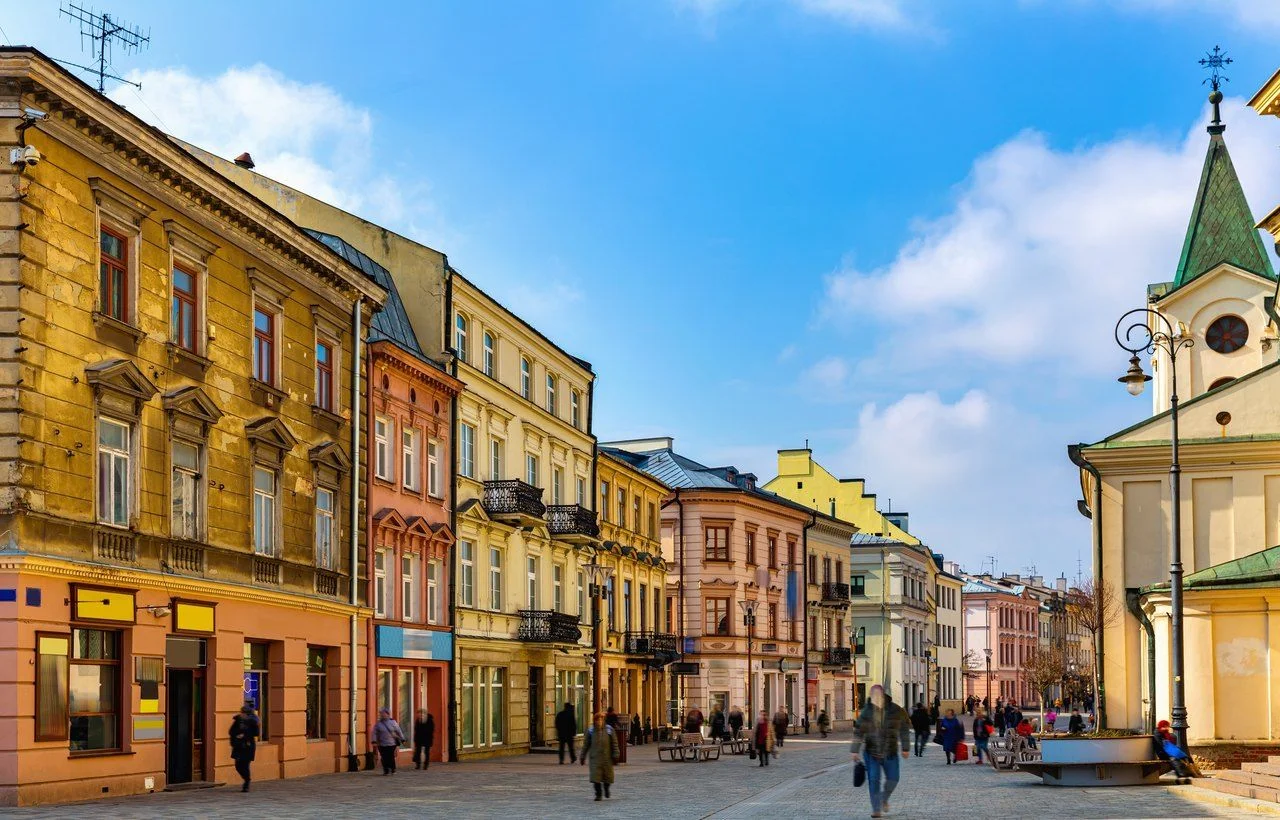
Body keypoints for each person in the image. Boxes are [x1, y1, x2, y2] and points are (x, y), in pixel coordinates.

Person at [850, 684, 910, 819]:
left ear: (883, 695)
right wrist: (854, 750)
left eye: (878, 695)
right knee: (874, 780)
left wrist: (905, 748)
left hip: (890, 752)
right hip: (871, 753)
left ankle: (884, 798)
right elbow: (859, 731)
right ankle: (876, 809)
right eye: (873, 695)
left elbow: (904, 729)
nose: (875, 698)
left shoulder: (896, 710)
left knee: (893, 779)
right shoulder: (866, 711)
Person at [581, 711, 620, 801]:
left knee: (608, 777)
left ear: (604, 720)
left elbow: (614, 744)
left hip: (607, 758)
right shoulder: (591, 731)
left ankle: (606, 788)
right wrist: (582, 756)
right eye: (597, 719)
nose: (599, 721)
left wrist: (616, 755)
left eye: (601, 719)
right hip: (595, 758)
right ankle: (598, 794)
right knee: (596, 778)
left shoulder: (609, 730)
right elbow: (586, 745)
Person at [230, 702, 260, 793]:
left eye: (243, 713)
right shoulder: (238, 720)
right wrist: (236, 736)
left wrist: (244, 735)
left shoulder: (253, 722)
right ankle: (246, 779)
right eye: (241, 712)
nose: (241, 714)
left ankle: (246, 783)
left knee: (245, 765)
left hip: (248, 746)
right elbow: (231, 731)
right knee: (238, 765)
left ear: (248, 714)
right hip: (238, 746)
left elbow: (256, 733)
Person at [371, 707, 406, 775]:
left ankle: (393, 768)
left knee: (390, 756)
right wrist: (374, 741)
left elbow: (398, 731)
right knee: (384, 757)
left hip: (391, 743)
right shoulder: (378, 724)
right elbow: (374, 733)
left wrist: (402, 739)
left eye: (383, 713)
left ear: (388, 714)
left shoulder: (392, 722)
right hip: (381, 743)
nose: (382, 715)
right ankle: (386, 770)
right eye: (381, 714)